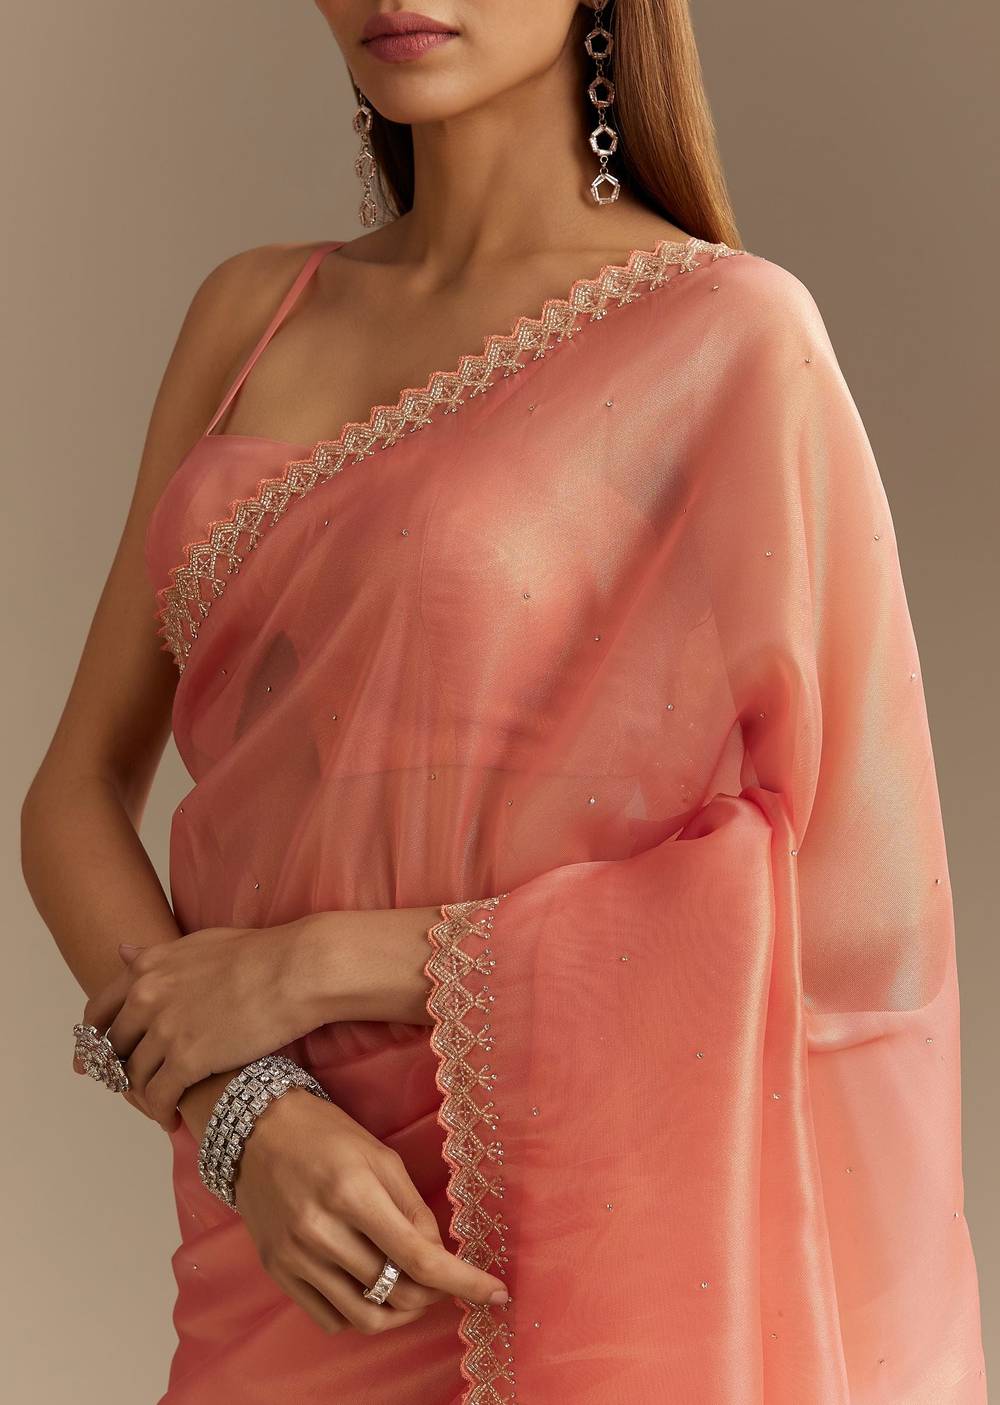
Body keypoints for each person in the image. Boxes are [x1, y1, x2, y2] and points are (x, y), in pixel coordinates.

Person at [20, 2, 987, 1401]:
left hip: (561, 1247)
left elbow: (853, 926)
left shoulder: (728, 336)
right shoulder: (250, 314)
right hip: (280, 1247)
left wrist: (323, 963)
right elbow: (72, 798)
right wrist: (249, 1119)